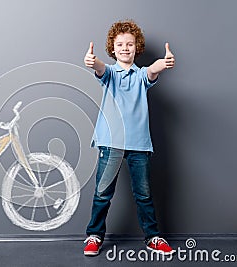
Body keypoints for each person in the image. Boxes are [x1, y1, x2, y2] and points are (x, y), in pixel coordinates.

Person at [83, 19, 175, 256]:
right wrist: (93, 62)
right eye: (120, 44)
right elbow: (101, 68)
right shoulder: (110, 73)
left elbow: (152, 70)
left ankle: (153, 237)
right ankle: (94, 235)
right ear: (113, 48)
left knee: (143, 195)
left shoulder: (142, 75)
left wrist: (162, 64)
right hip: (110, 143)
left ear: (137, 48)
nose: (125, 48)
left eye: (130, 44)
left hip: (138, 145)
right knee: (103, 194)